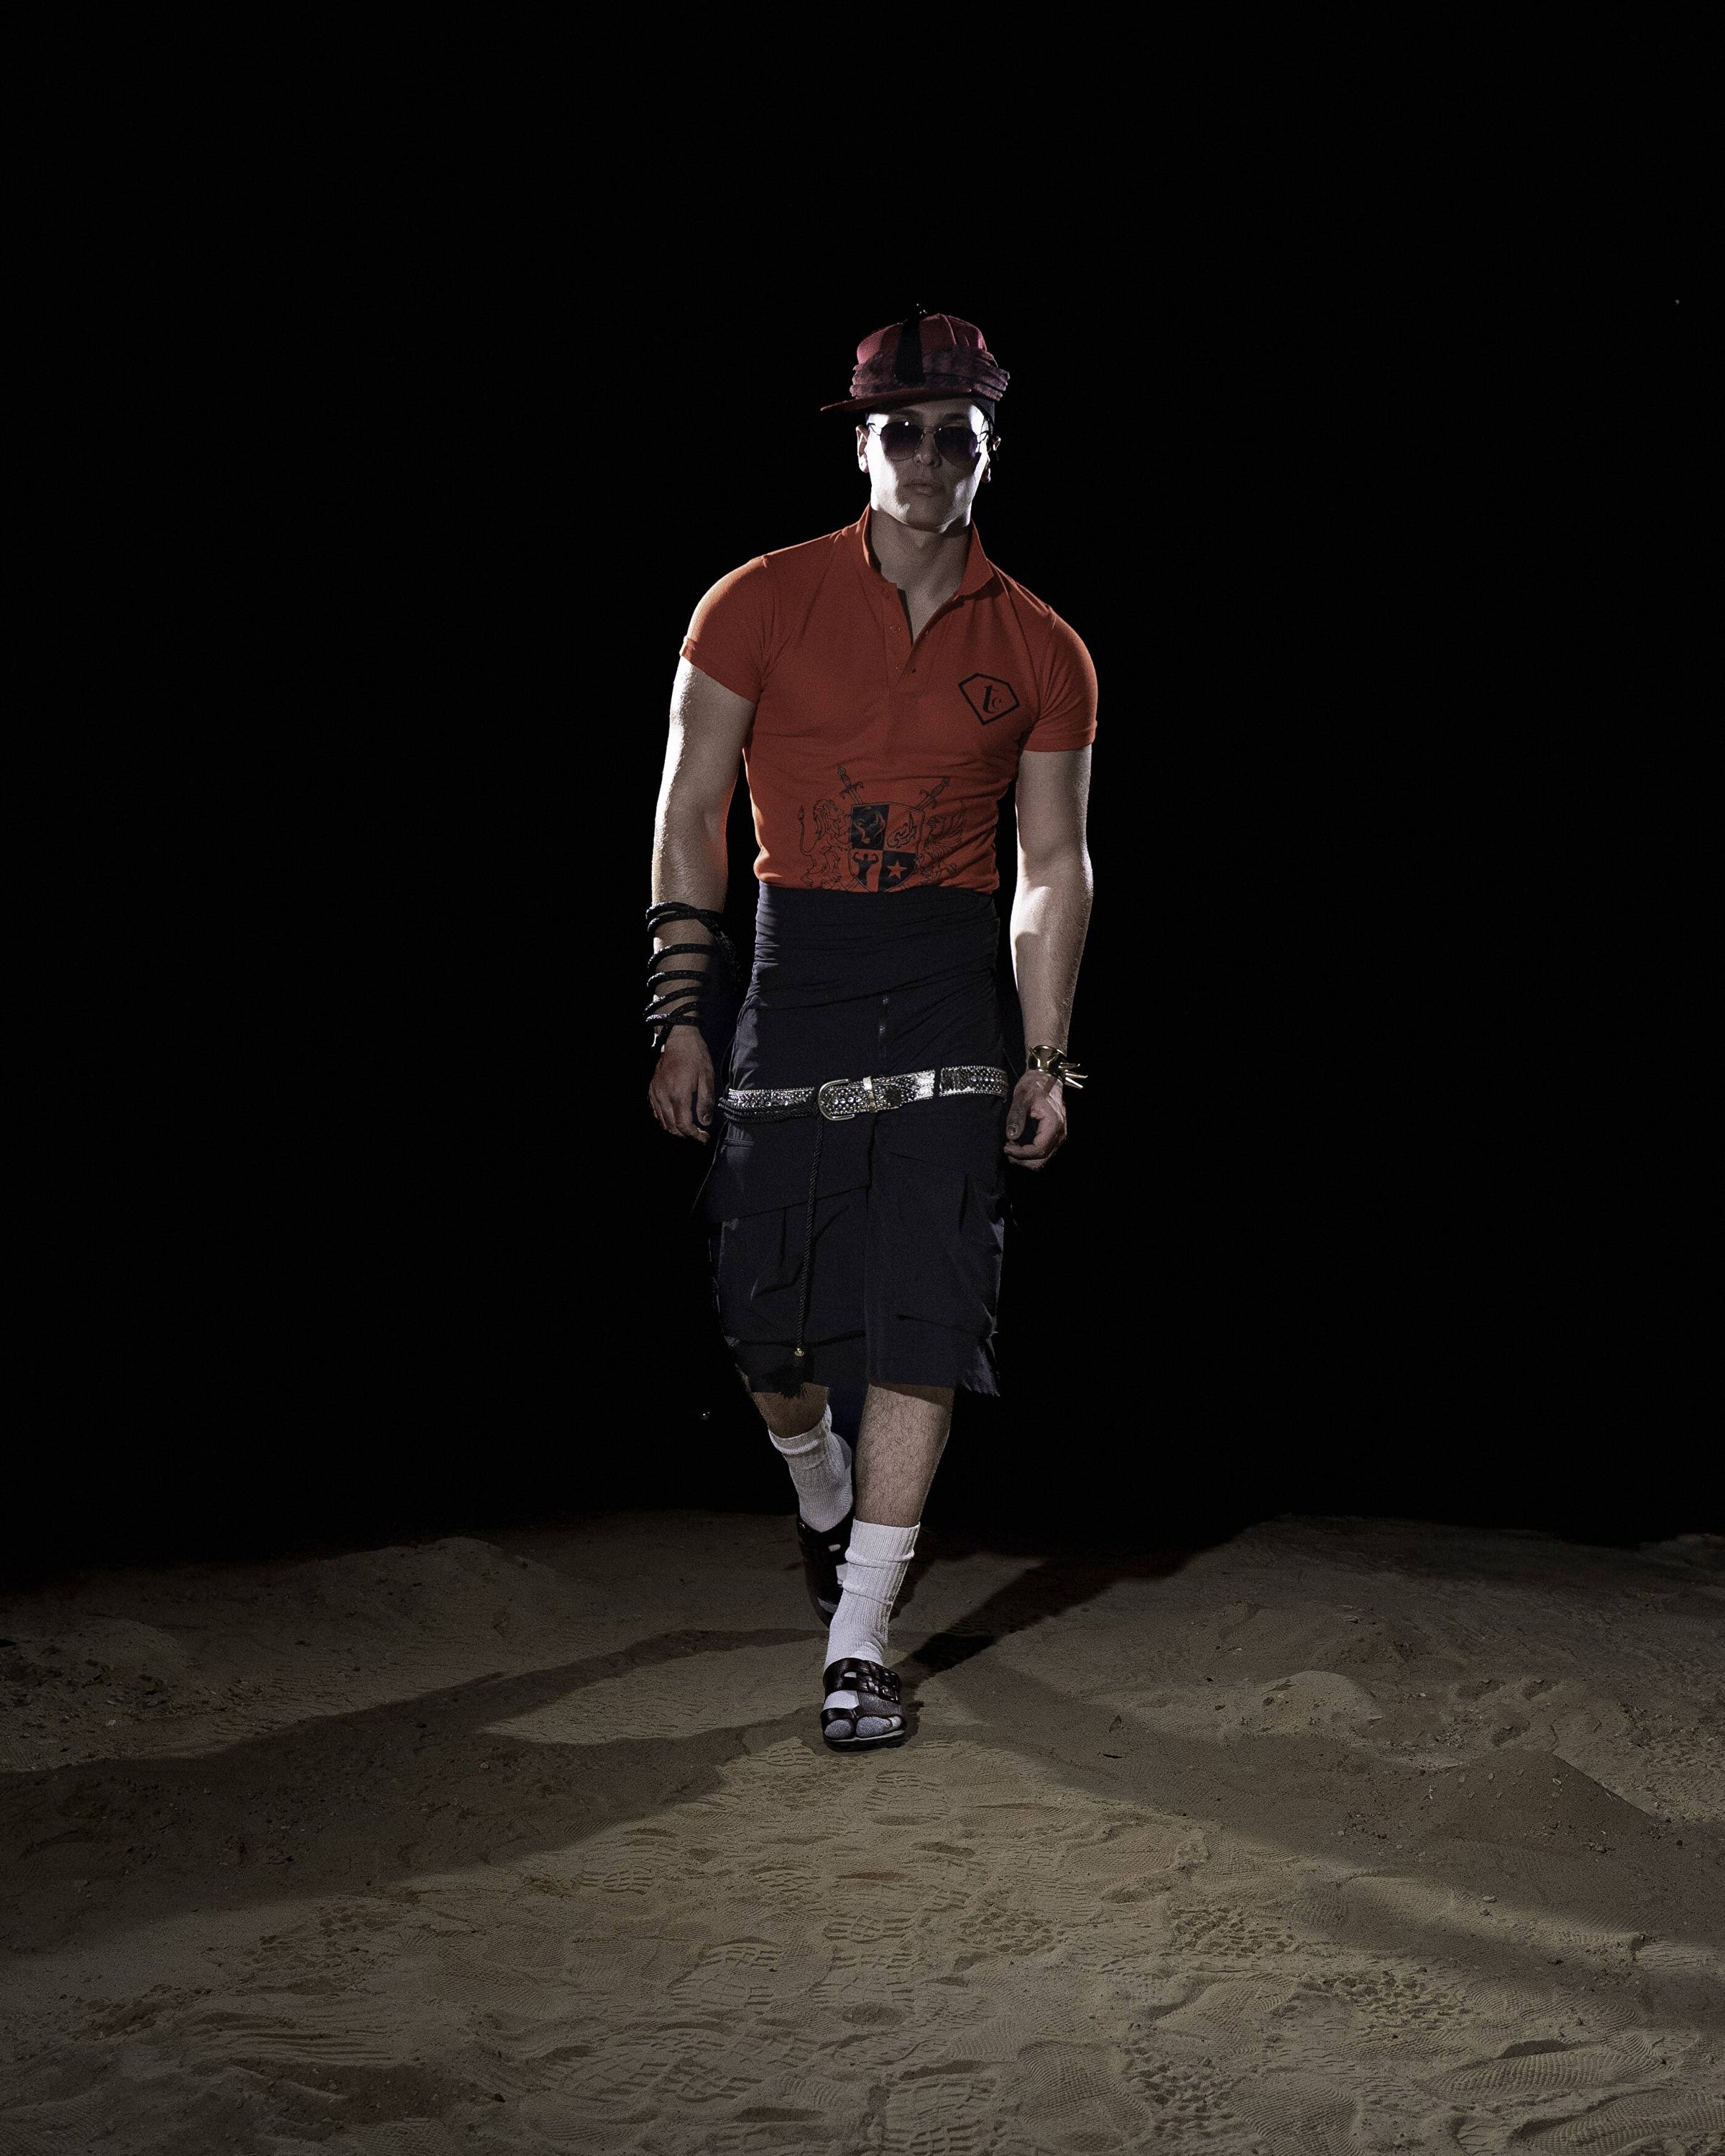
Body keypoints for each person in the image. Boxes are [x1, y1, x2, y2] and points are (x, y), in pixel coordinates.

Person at [645, 309, 1096, 1751]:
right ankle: (820, 1491)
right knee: (762, 1327)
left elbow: (1053, 864)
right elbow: (691, 812)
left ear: (990, 450)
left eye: (956, 434)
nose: (927, 457)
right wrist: (682, 1013)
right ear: (861, 444)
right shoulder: (755, 601)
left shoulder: (1044, 646)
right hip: (799, 967)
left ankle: (859, 1641)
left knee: (924, 1307)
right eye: (901, 430)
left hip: (948, 974)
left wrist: (1046, 1056)